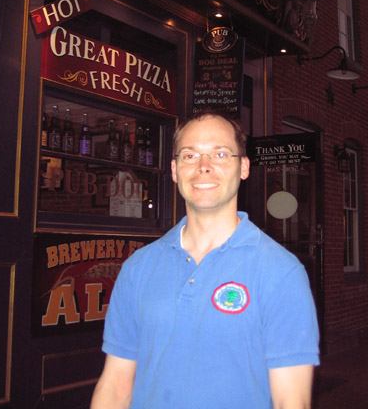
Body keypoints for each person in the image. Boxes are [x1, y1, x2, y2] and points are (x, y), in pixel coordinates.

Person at [91, 110, 320, 409]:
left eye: (221, 154)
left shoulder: (282, 273)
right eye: (189, 155)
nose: (203, 167)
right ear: (174, 170)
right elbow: (115, 386)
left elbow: (291, 402)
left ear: (244, 167)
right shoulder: (138, 267)